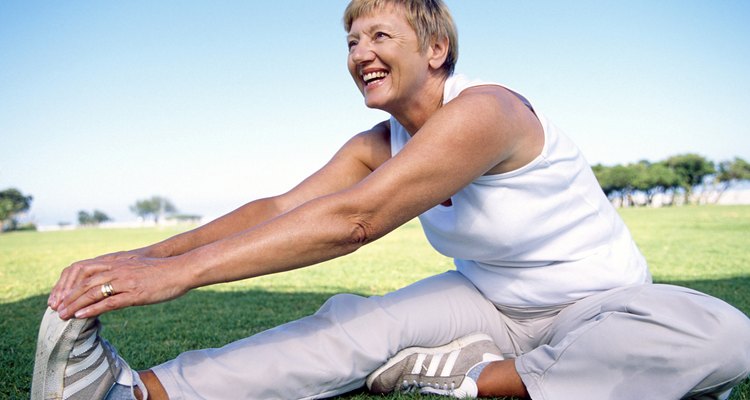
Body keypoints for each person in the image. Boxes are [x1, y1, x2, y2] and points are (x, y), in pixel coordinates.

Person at [32, 0, 750, 399]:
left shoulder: (488, 111)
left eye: (380, 33)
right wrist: (145, 255)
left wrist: (177, 277)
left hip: (598, 302)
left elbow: (355, 221)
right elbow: (282, 209)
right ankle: (136, 394)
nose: (360, 52)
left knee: (724, 335)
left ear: (435, 50)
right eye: (351, 40)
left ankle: (481, 382)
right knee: (353, 327)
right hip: (490, 301)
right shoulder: (377, 141)